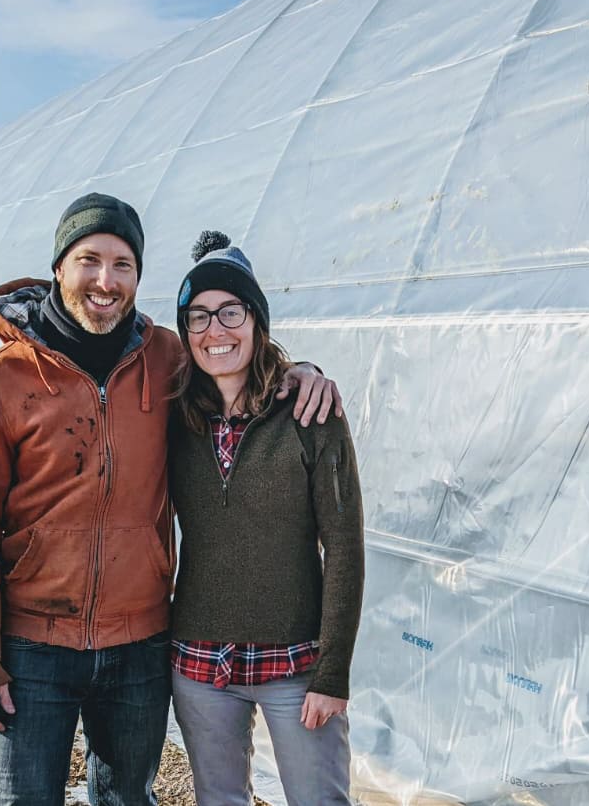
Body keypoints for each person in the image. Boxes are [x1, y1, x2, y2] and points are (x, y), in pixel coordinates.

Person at [0, 194, 342, 805]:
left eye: (123, 265)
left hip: (138, 643)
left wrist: (300, 371)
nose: (106, 281)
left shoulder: (167, 360)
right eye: (89, 261)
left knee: (127, 798)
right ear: (59, 267)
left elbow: (237, 358)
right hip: (33, 644)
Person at [167, 231, 364, 806]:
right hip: (200, 663)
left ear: (257, 320)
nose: (215, 330)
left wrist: (333, 674)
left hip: (295, 663)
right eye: (198, 317)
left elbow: (345, 545)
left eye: (231, 311)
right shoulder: (175, 417)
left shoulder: (311, 412)